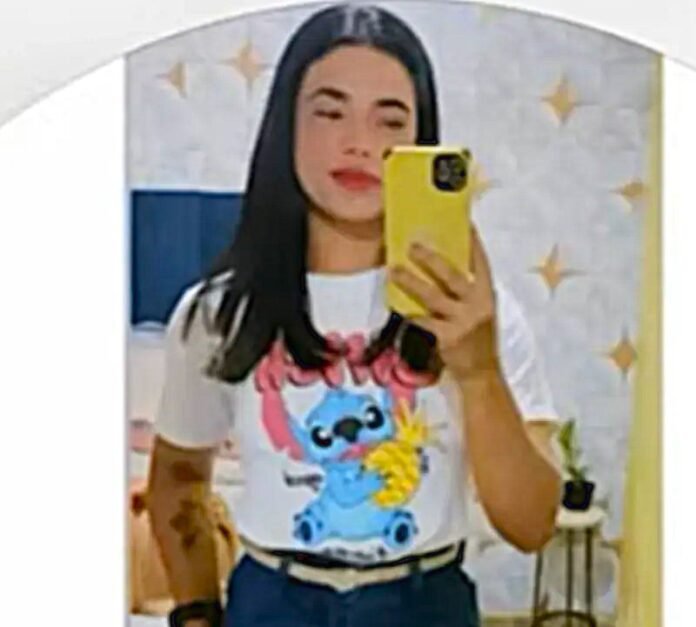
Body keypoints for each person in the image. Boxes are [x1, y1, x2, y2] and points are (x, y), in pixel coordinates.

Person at [146, 5, 562, 627]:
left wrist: (478, 370)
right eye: (329, 111)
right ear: (285, 128)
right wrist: (197, 613)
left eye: (390, 119)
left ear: (421, 143)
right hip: (272, 602)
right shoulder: (220, 312)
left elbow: (532, 525)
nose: (359, 142)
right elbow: (178, 479)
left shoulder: (474, 311)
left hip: (424, 602)